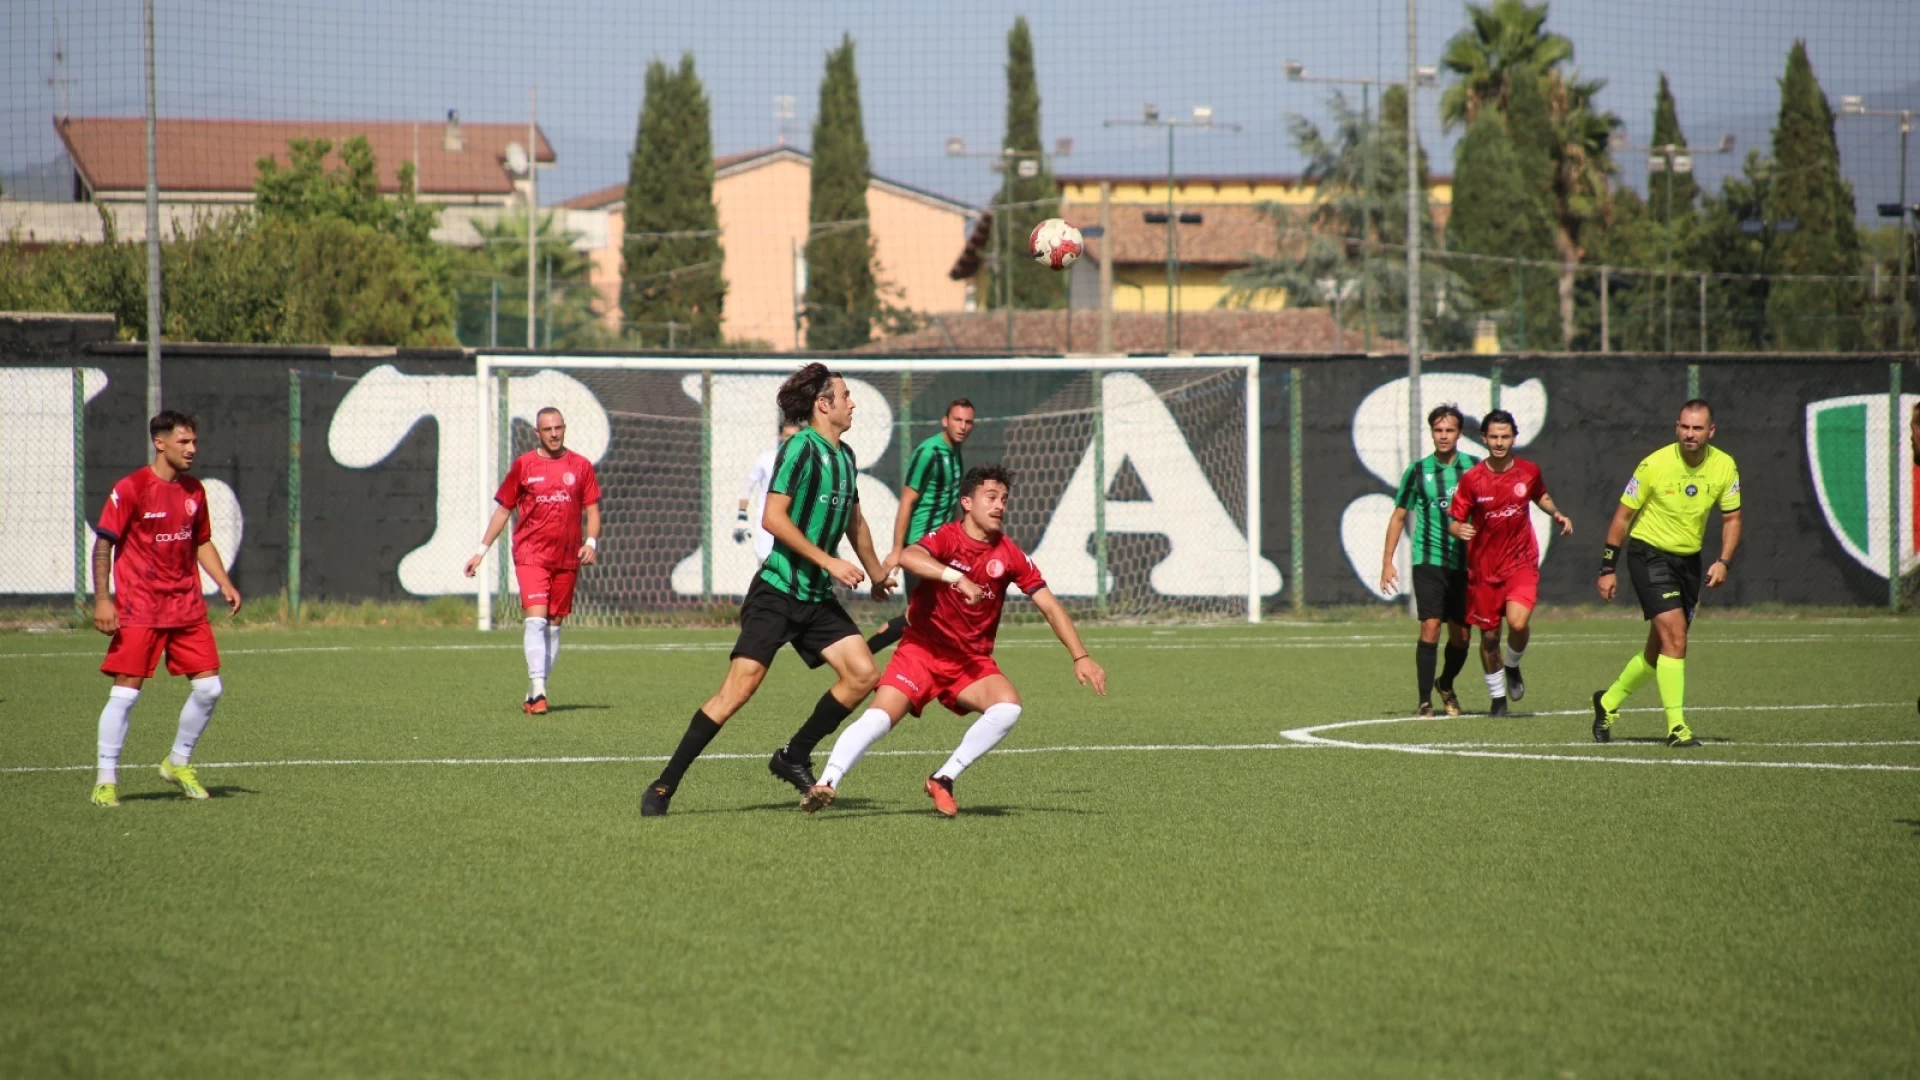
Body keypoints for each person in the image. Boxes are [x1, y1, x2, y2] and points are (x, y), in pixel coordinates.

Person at [641, 364, 893, 818]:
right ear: (823, 404)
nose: (853, 403)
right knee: (739, 690)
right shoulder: (798, 447)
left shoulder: (846, 456)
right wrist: (830, 561)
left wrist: (876, 573)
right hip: (777, 591)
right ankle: (663, 785)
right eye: (846, 395)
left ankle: (794, 754)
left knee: (862, 674)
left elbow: (855, 522)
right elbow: (773, 519)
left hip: (815, 597)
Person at [804, 464, 1106, 817]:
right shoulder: (946, 537)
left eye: (1004, 499)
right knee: (879, 721)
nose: (999, 506)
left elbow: (1050, 606)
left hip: (970, 662)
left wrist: (1080, 655)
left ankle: (943, 778)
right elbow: (909, 557)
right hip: (921, 652)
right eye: (990, 497)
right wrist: (955, 577)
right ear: (967, 502)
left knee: (1008, 707)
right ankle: (827, 782)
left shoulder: (1009, 554)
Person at [88, 411, 242, 807]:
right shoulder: (132, 488)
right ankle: (106, 781)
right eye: (184, 442)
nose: (193, 449)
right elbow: (103, 543)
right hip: (140, 607)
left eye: (194, 441)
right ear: (160, 443)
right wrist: (104, 598)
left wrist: (223, 582)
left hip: (186, 607)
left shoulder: (194, 491)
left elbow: (201, 541)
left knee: (209, 689)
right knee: (125, 695)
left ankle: (178, 761)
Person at [1593, 400, 1742, 747]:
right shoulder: (1654, 464)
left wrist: (1724, 561)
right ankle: (1677, 727)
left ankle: (1607, 702)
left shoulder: (1725, 466)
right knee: (1676, 637)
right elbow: (1622, 518)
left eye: (1697, 428)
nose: (1690, 434)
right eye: (1685, 427)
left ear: (1711, 431)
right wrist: (1607, 568)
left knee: (1657, 650)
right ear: (1677, 427)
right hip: (1648, 555)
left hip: (1687, 562)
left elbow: (1732, 518)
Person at [463, 407, 601, 715]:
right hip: (531, 555)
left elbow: (592, 511)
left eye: (558, 428)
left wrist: (590, 542)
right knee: (536, 619)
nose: (554, 433)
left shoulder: (581, 466)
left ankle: (534, 691)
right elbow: (503, 510)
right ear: (537, 433)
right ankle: (538, 691)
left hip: (566, 557)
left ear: (564, 428)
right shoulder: (524, 465)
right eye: (547, 429)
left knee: (553, 625)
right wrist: (480, 551)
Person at [1446, 409, 1573, 716]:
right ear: (1484, 439)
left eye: (1505, 436)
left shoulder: (1528, 472)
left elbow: (1539, 495)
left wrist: (1555, 512)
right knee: (1489, 637)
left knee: (1517, 622)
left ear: (1514, 437)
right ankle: (1498, 700)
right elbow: (1454, 517)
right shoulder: (1472, 479)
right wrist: (1458, 529)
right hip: (1483, 569)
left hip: (1521, 561)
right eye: (1494, 437)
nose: (1500, 443)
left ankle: (1513, 665)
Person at [1380, 404, 1478, 717]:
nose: (1443, 436)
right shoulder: (1418, 471)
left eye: (1449, 430)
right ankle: (1425, 702)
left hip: (1465, 565)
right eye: (1438, 430)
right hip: (1428, 559)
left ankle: (1445, 683)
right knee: (1430, 627)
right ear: (1431, 432)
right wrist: (1387, 562)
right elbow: (1398, 516)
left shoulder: (1475, 469)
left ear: (1459, 433)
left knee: (1461, 637)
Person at [866, 397, 976, 653]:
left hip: (942, 546)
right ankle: (867, 655)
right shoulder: (929, 452)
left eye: (968, 422)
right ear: (945, 421)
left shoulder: (954, 452)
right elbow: (906, 501)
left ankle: (867, 655)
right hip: (921, 546)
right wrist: (897, 550)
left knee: (921, 615)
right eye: (957, 420)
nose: (962, 426)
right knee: (923, 615)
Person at [734, 420, 803, 565]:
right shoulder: (766, 459)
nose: (791, 441)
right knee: (766, 573)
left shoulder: (807, 463)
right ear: (780, 437)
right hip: (768, 527)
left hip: (796, 528)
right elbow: (748, 486)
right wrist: (741, 516)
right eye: (787, 436)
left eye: (795, 437)